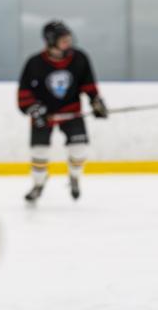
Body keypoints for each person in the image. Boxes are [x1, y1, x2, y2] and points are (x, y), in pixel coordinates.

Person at [17, 20, 108, 204]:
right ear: (51, 41)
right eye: (63, 40)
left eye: (69, 39)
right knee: (39, 153)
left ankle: (74, 177)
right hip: (43, 115)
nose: (69, 42)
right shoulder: (34, 63)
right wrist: (35, 110)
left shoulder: (80, 58)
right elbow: (24, 94)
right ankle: (38, 185)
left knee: (79, 149)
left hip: (71, 112)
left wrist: (96, 103)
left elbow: (89, 85)